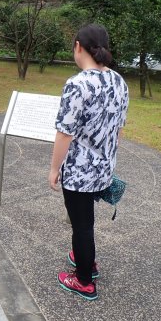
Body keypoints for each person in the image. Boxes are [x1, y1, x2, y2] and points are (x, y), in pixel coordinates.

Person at [48, 23, 129, 301]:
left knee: (82, 225)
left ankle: (84, 278)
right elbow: (119, 128)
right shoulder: (119, 81)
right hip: (104, 167)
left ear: (78, 46)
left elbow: (64, 132)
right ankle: (86, 259)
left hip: (80, 171)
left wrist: (54, 168)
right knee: (85, 222)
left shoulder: (77, 84)